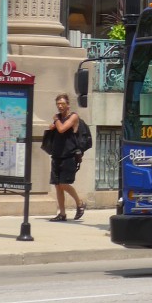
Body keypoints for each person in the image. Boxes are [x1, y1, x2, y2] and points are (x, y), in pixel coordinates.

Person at [46, 93, 86, 221]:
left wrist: (56, 120)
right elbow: (53, 128)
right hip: (57, 155)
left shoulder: (73, 116)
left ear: (68, 105)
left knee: (64, 184)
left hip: (69, 156)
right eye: (58, 104)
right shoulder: (58, 118)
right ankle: (62, 214)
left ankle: (80, 203)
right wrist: (54, 124)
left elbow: (62, 129)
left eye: (62, 103)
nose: (60, 106)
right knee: (57, 185)